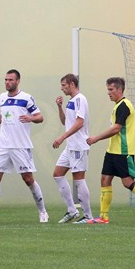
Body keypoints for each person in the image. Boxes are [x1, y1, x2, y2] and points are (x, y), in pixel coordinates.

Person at [87, 77, 135, 224]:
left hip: (123, 152)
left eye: (111, 90)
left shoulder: (124, 105)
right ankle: (103, 217)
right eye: (108, 90)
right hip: (112, 151)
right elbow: (130, 131)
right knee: (105, 179)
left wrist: (96, 138)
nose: (108, 93)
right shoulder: (118, 106)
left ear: (119, 90)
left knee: (128, 182)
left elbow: (117, 129)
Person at [0, 69, 49, 223]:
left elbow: (40, 117)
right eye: (6, 80)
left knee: (28, 179)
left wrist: (30, 118)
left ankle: (43, 211)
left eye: (10, 80)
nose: (7, 82)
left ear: (17, 81)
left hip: (20, 145)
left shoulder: (26, 98)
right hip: (3, 145)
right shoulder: (2, 97)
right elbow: (3, 117)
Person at [51, 74, 93, 223]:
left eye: (64, 85)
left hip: (78, 146)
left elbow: (80, 123)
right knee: (57, 174)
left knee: (79, 179)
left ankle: (88, 217)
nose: (61, 88)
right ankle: (72, 210)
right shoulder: (71, 101)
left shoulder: (80, 99)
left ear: (72, 84)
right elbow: (65, 122)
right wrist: (59, 107)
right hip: (70, 146)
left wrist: (62, 137)